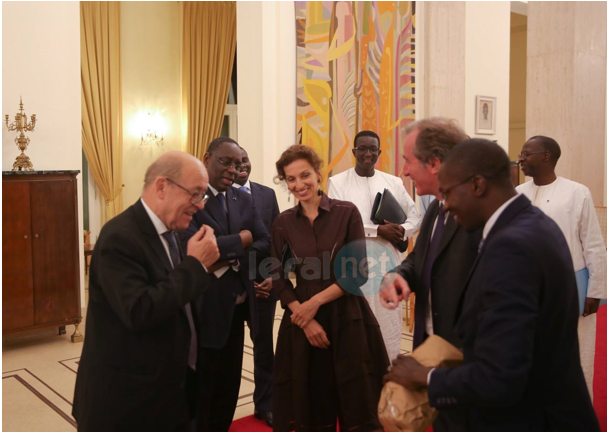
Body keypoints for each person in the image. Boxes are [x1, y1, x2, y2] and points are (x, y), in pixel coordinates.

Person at [384, 139, 600, 432]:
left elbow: (501, 377)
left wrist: (425, 376)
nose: (445, 205)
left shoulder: (512, 246)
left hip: (532, 418)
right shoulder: (528, 222)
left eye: (447, 194)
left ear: (477, 185)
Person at [73, 152, 220, 432]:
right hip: (126, 402)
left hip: (169, 392)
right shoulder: (120, 236)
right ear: (162, 186)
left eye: (204, 196)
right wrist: (196, 265)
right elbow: (140, 311)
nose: (200, 206)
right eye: (195, 194)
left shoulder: (173, 232)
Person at [270, 144, 389, 432]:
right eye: (291, 179)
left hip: (347, 316)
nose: (299, 184)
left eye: (305, 175)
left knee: (356, 396)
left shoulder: (346, 213)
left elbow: (357, 273)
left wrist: (313, 305)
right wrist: (304, 316)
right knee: (310, 398)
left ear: (319, 174)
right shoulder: (283, 223)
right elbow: (278, 277)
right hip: (300, 323)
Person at [181, 137, 270, 432]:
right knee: (202, 386)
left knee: (229, 384)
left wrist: (222, 252)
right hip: (205, 307)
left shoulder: (242, 198)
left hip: (239, 306)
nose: (233, 169)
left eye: (237, 163)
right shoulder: (191, 199)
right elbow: (191, 249)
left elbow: (264, 239)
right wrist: (242, 240)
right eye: (225, 161)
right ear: (207, 158)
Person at [516, 135, 607, 398]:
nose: (520, 159)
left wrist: (596, 291)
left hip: (571, 288)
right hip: (528, 291)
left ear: (546, 156)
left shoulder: (577, 192)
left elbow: (593, 243)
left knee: (576, 354)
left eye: (526, 154)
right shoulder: (518, 194)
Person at [328, 130, 421, 360]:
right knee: (357, 320)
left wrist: (401, 231)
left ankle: (387, 372)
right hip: (355, 262)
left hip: (388, 261)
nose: (367, 153)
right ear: (354, 152)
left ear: (379, 152)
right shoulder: (338, 183)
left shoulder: (393, 182)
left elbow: (415, 217)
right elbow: (337, 223)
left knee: (388, 320)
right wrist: (377, 230)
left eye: (372, 149)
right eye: (362, 149)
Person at [234, 145, 280, 427]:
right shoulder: (216, 197)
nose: (241, 167)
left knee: (264, 348)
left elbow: (277, 240)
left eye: (245, 161)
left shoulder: (267, 194)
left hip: (265, 283)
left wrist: (273, 276)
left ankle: (266, 404)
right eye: (235, 162)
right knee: (229, 350)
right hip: (233, 286)